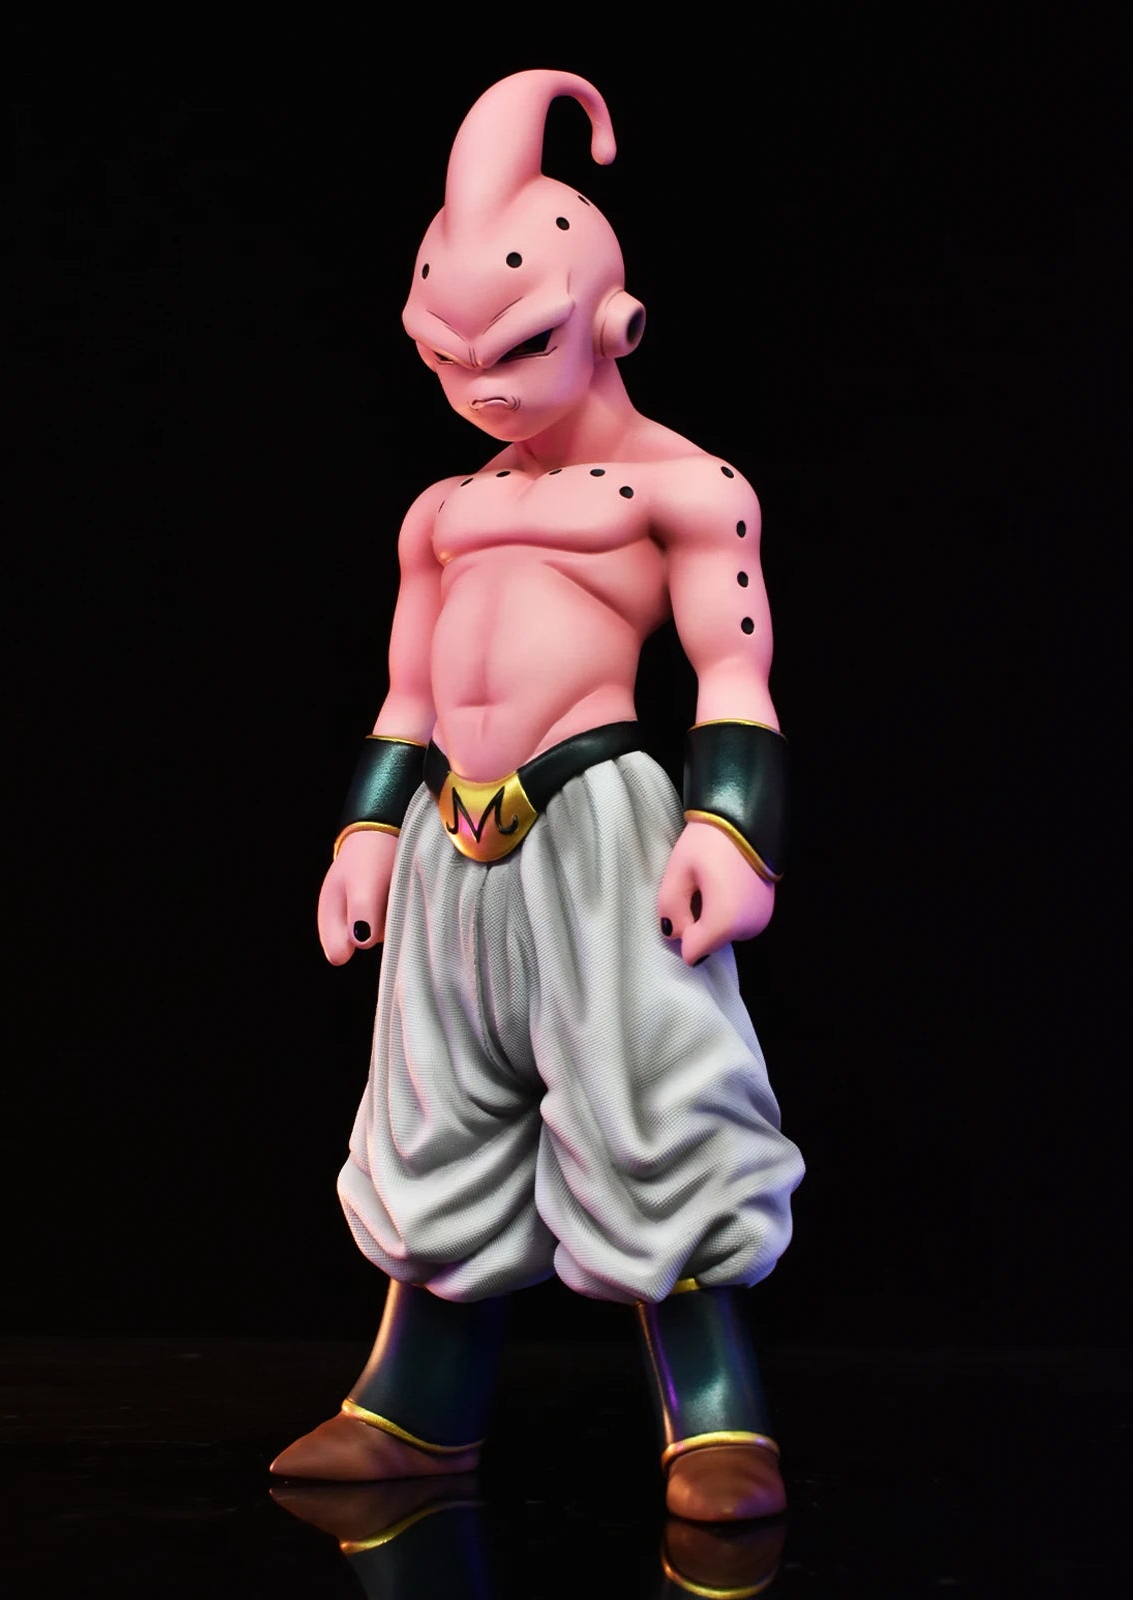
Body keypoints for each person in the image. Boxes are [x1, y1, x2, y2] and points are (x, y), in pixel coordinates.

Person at [271, 69, 805, 1523]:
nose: (482, 386)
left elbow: (733, 671)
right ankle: (414, 1404)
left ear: (612, 321)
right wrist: (364, 835)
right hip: (448, 834)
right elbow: (406, 694)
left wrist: (730, 829)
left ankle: (715, 1416)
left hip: (599, 822)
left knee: (650, 1098)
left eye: (516, 347)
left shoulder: (683, 488)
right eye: (446, 357)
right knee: (436, 1109)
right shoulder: (446, 510)